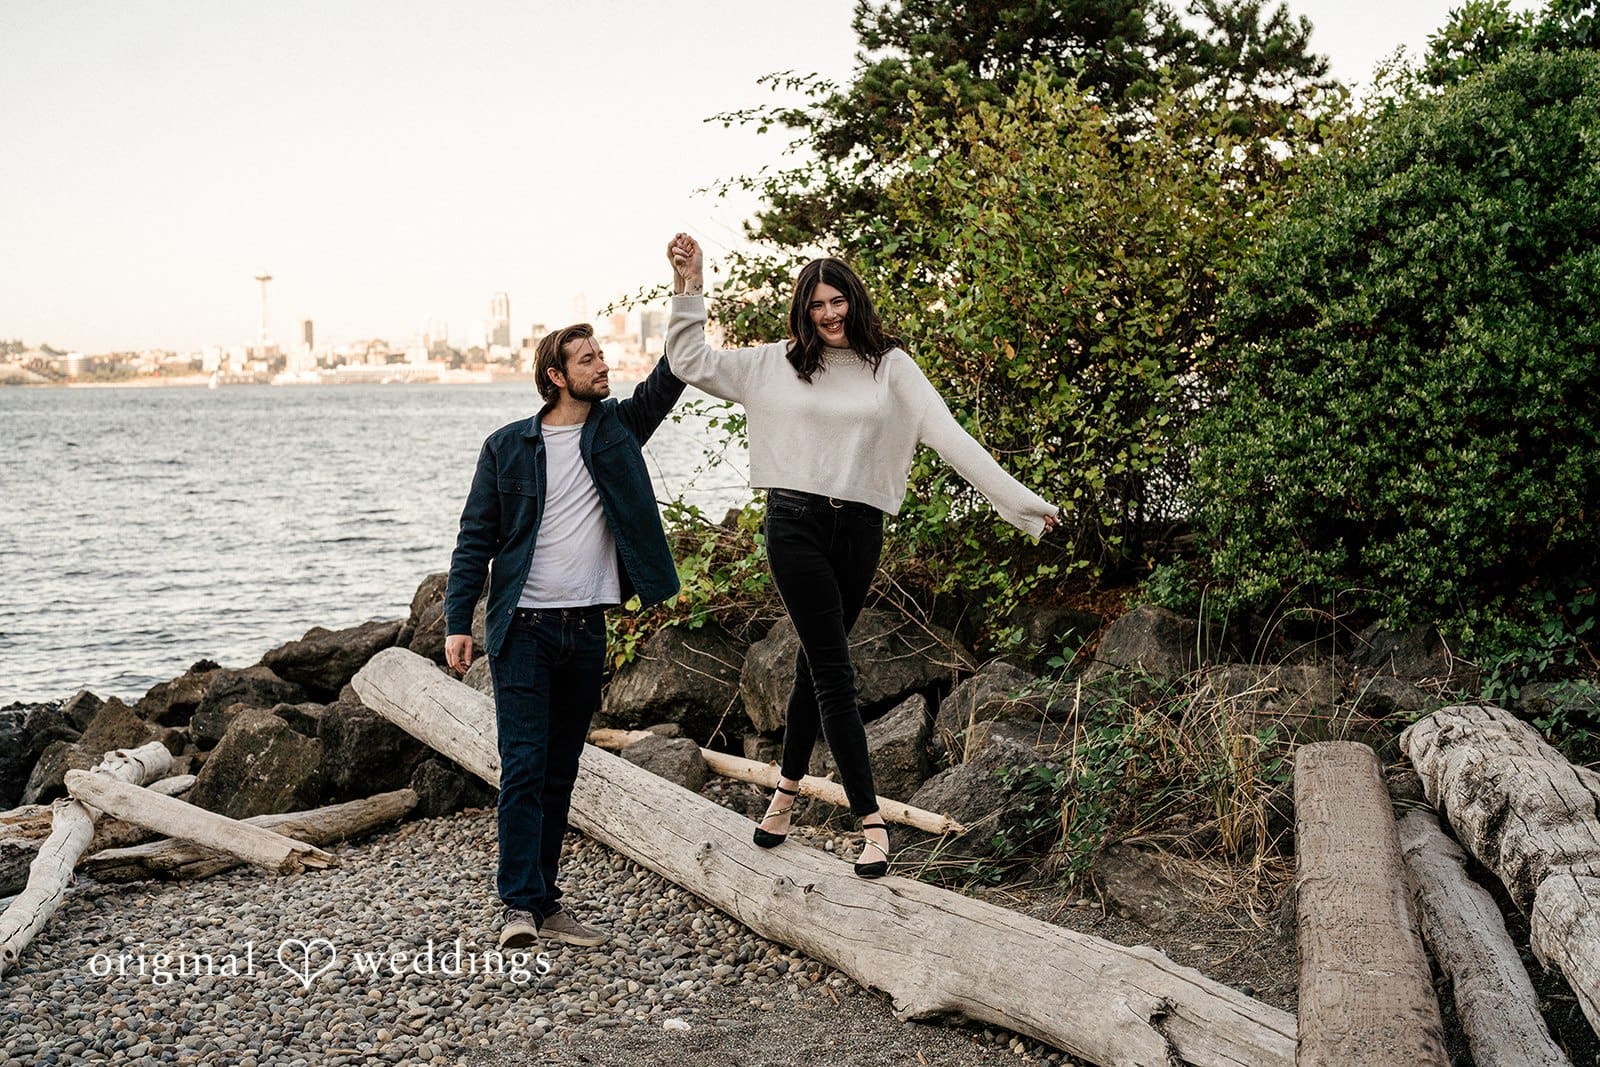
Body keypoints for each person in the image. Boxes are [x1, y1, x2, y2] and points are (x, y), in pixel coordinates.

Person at [663, 233, 1059, 878]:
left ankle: (785, 795)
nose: (829, 313)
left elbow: (948, 436)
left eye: (838, 299)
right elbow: (689, 360)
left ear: (855, 300)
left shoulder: (891, 367)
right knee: (835, 671)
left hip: (860, 530)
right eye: (816, 303)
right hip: (795, 526)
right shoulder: (775, 365)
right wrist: (689, 284)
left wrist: (1020, 504)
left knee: (813, 668)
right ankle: (871, 821)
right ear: (802, 310)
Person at [444, 322, 685, 949]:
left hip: (586, 630)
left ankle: (546, 903)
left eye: (602, 355)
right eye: (589, 359)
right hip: (522, 628)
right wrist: (456, 621)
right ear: (557, 375)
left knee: (561, 770)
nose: (603, 366)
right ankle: (518, 906)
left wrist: (688, 289)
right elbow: (476, 539)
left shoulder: (617, 430)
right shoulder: (506, 448)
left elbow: (671, 375)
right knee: (524, 767)